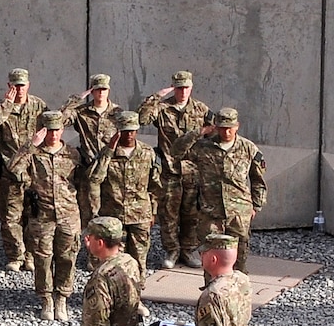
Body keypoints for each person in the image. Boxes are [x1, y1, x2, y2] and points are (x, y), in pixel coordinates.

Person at [7, 111, 84, 321]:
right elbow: (13, 169)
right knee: (43, 259)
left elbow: (82, 184)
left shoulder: (73, 154)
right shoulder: (33, 154)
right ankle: (46, 299)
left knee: (67, 257)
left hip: (68, 215)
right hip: (42, 215)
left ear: (62, 130)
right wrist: (31, 144)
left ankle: (62, 298)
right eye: (49, 130)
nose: (53, 134)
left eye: (57, 130)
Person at [137, 71, 210, 266]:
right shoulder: (162, 109)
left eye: (186, 87)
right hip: (169, 171)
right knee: (168, 215)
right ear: (173, 88)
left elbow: (213, 134)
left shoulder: (201, 109)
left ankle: (188, 251)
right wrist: (157, 96)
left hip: (193, 171)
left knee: (191, 214)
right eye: (178, 88)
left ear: (191, 88)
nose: (182, 92)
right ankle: (172, 251)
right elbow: (142, 119)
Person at [178, 108, 266, 268]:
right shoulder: (202, 147)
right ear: (216, 127)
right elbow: (176, 152)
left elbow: (258, 179)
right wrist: (199, 132)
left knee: (239, 259)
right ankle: (212, 292)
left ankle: (238, 291)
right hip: (211, 212)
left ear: (237, 126)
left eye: (229, 128)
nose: (226, 132)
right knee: (212, 259)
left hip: (238, 213)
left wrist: (256, 206)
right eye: (222, 128)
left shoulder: (247, 148)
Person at [0, 69, 47, 271]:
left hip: (32, 169)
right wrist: (5, 106)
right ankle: (16, 255)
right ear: (9, 86)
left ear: (28, 85)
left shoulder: (38, 106)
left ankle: (31, 255)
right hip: (9, 171)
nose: (19, 89)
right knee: (10, 217)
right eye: (15, 85)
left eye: (22, 85)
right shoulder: (0, 106)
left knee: (33, 213)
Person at [87, 110, 163, 275]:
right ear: (118, 130)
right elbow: (95, 179)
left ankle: (136, 293)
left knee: (139, 261)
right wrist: (108, 152)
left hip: (140, 215)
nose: (129, 134)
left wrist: (153, 211)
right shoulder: (107, 153)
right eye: (125, 130)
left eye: (132, 130)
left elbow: (155, 186)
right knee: (114, 263)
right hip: (114, 214)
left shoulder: (147, 152)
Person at [57, 74, 121, 161]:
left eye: (104, 89)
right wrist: (76, 100)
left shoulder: (117, 112)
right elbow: (58, 120)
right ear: (91, 91)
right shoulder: (81, 111)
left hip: (110, 162)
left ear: (108, 90)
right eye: (97, 89)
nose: (101, 92)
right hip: (87, 162)